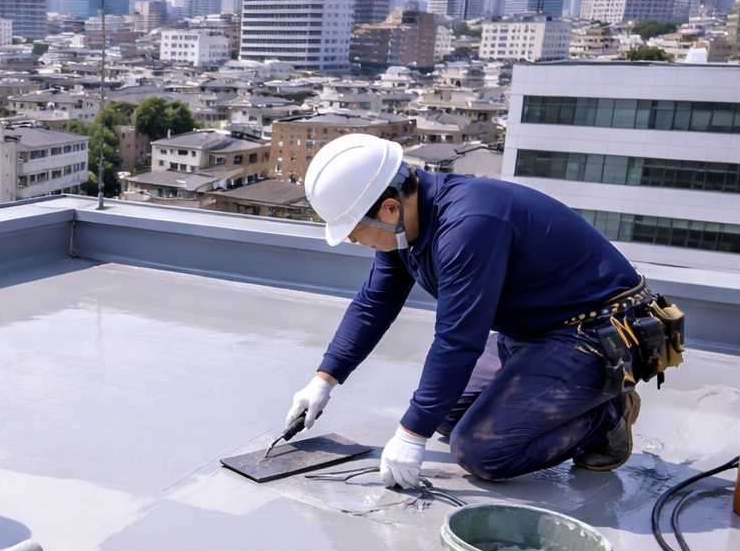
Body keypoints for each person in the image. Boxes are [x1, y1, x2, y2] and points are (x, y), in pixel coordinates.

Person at [285, 134, 683, 488]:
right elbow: (374, 304)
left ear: (389, 208)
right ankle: (563, 392)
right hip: (535, 332)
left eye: (354, 229)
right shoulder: (405, 227)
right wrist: (324, 380)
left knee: (481, 451)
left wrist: (410, 434)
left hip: (595, 335)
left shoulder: (468, 224)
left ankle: (607, 417)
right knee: (445, 414)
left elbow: (458, 341)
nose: (354, 240)